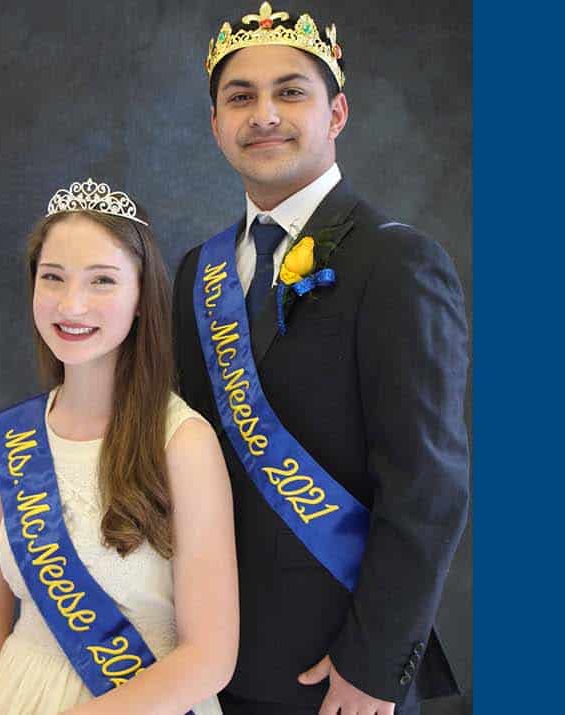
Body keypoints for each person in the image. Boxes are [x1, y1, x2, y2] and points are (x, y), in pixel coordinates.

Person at [171, 5, 470, 714]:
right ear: (215, 124)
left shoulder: (397, 261)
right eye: (240, 97)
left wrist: (372, 669)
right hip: (213, 662)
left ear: (336, 113)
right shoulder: (195, 272)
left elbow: (428, 488)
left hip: (341, 674)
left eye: (290, 91)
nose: (264, 114)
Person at [0, 179, 238, 715]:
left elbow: (210, 656)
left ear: (138, 298)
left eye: (102, 281)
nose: (72, 304)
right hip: (17, 694)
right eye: (52, 278)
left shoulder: (183, 443)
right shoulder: (2, 440)